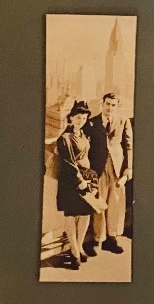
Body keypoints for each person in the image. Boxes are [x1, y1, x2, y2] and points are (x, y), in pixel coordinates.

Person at [86, 92, 133, 255]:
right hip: (98, 168)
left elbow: (129, 146)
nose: (110, 108)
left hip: (117, 167)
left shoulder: (123, 121)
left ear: (117, 106)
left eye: (113, 105)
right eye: (107, 104)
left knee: (116, 202)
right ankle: (98, 238)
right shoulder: (92, 122)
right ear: (102, 104)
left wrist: (129, 168)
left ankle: (112, 238)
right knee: (99, 202)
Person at [54, 100, 97, 269]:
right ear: (70, 118)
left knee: (86, 212)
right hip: (71, 180)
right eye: (78, 117)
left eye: (84, 118)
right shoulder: (65, 138)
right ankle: (74, 250)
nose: (81, 121)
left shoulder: (83, 135)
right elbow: (69, 162)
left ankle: (78, 245)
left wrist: (88, 178)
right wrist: (79, 180)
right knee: (71, 214)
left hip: (85, 177)